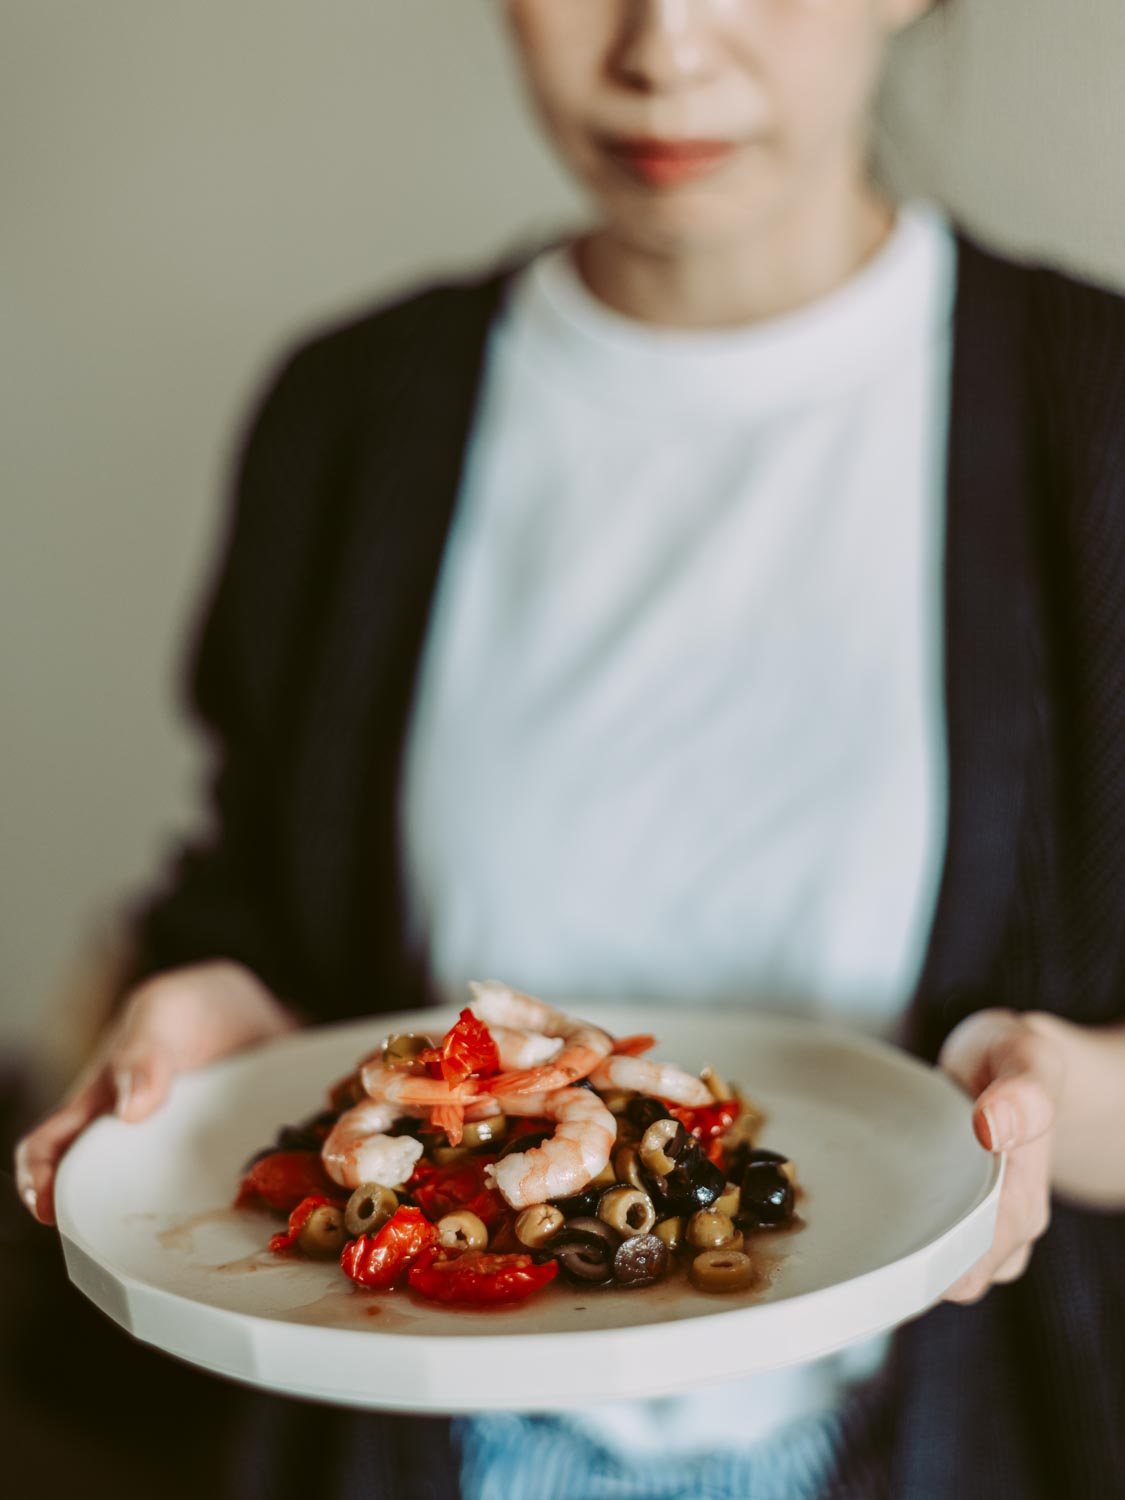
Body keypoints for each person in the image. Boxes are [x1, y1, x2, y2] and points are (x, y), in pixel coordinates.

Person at [15, 2, 1125, 1496]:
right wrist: (218, 1013)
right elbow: (259, 900)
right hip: (418, 1453)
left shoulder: (1097, 419)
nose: (663, 48)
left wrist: (1055, 1099)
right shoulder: (352, 412)